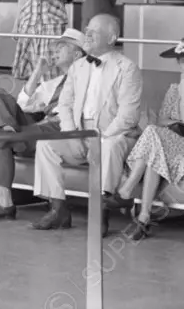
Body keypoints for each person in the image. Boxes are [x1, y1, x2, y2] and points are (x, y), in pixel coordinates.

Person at [31, 14, 143, 235]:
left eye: (94, 31)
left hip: (114, 133)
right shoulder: (79, 66)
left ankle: (100, 214)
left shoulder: (127, 68)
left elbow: (128, 116)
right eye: (87, 29)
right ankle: (58, 209)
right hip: (81, 133)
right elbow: (65, 104)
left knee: (110, 145)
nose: (87, 34)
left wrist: (98, 138)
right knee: (46, 144)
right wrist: (72, 136)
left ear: (112, 37)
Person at [109, 38, 184, 241]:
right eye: (182, 62)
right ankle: (144, 217)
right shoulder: (173, 88)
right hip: (170, 138)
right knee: (155, 141)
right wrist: (181, 121)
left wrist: (183, 91)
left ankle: (127, 190)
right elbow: (163, 119)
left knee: (155, 136)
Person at [0, 28, 85, 222]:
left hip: (59, 126)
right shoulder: (52, 83)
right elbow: (22, 104)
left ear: (78, 53)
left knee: (1, 136)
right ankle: (6, 132)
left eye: (61, 48)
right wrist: (38, 72)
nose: (55, 52)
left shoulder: (87, 79)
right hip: (37, 123)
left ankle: (4, 203)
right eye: (54, 48)